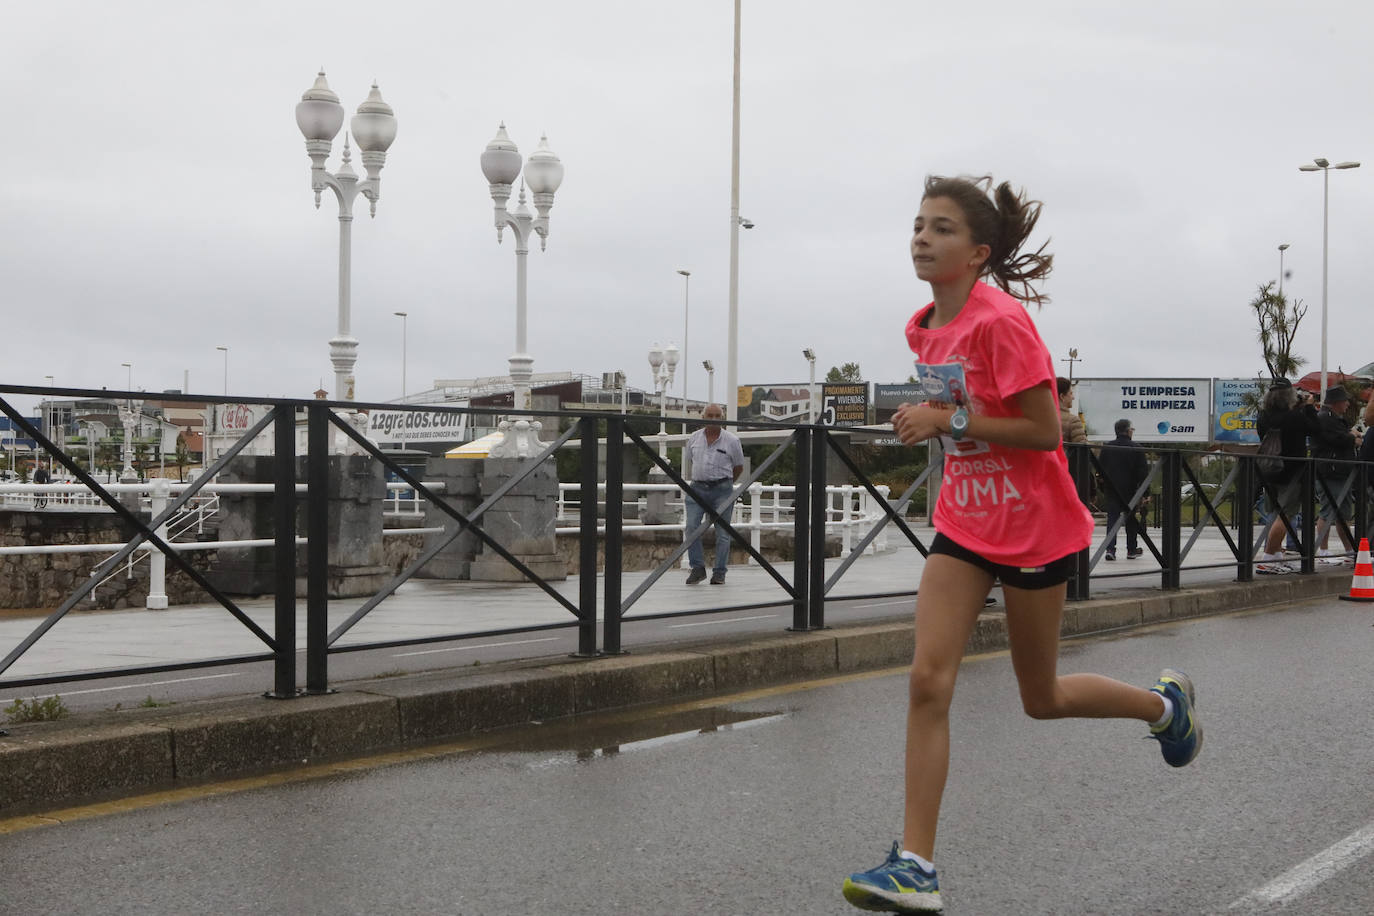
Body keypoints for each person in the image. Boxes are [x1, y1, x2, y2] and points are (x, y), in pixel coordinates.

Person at [841, 175, 1200, 915]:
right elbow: (959, 409)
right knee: (927, 680)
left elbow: (1042, 432)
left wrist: (948, 423)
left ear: (977, 253)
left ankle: (1165, 710)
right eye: (917, 224)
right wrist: (930, 417)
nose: (920, 237)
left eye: (940, 228)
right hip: (965, 523)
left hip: (1035, 525)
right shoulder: (922, 326)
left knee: (1042, 698)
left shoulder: (1001, 323)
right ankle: (916, 864)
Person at [1255, 379, 1319, 574]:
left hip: (1269, 470)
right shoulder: (1295, 417)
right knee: (1286, 514)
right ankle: (1268, 558)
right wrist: (1308, 408)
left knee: (1275, 514)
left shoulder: (1263, 416)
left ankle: (1276, 556)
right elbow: (1315, 430)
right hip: (1293, 472)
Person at [682, 403, 744, 585]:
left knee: (723, 533)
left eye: (718, 416)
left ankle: (719, 572)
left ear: (723, 419)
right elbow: (689, 461)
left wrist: (726, 484)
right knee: (692, 528)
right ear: (703, 418)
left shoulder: (732, 440)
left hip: (721, 489)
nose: (714, 419)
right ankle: (697, 568)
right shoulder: (693, 438)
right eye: (710, 415)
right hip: (697, 488)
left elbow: (739, 466)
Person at [1310, 386, 1359, 561]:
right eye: (1345, 400)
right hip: (1330, 470)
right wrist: (1353, 438)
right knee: (1328, 509)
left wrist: (1351, 436)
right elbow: (1339, 439)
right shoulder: (1325, 418)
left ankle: (1348, 550)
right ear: (1336, 402)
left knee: (1344, 512)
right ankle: (1323, 550)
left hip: (1341, 471)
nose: (1347, 404)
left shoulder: (1334, 418)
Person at [1097, 418, 1149, 560]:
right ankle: (1131, 550)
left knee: (1112, 519)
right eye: (1132, 429)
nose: (1132, 431)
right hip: (1131, 490)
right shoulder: (1136, 448)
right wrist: (1145, 493)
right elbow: (1143, 472)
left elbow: (1099, 469)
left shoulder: (1107, 447)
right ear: (1128, 431)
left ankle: (1110, 549)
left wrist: (1103, 487)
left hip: (1112, 489)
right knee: (1131, 520)